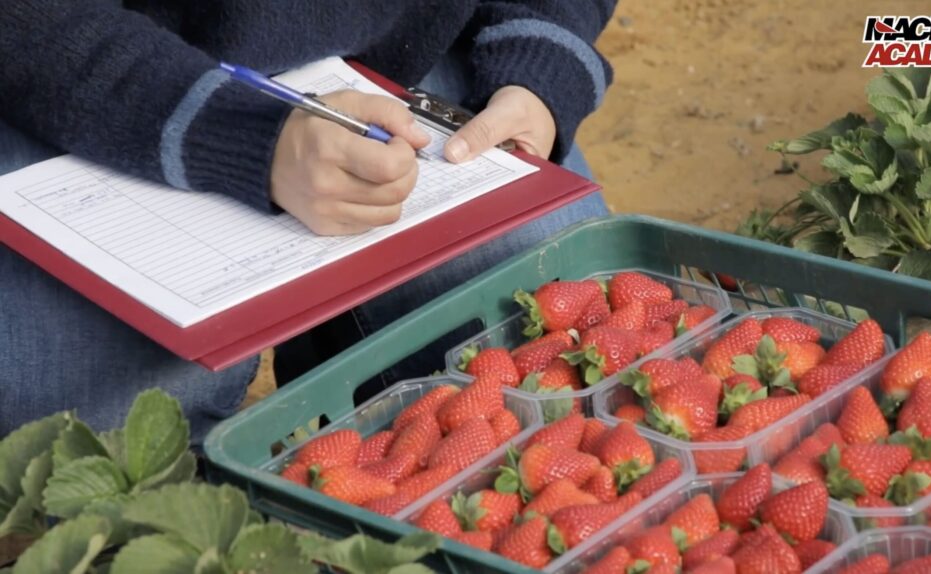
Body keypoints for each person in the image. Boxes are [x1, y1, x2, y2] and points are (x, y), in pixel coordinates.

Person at [0, 1, 617, 443]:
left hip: (407, 51)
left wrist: (543, 59)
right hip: (90, 71)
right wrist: (237, 137)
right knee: (99, 429)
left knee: (562, 346)